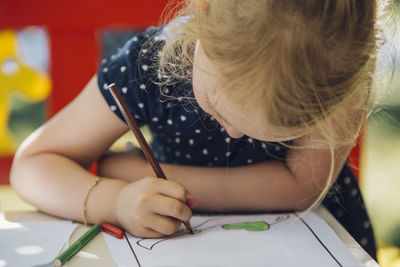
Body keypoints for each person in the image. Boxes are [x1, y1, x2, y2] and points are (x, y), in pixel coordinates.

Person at [11, 0, 387, 259]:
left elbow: (302, 187)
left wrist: (131, 172)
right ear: (204, 15)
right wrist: (116, 202)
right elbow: (35, 163)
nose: (237, 134)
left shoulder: (338, 66)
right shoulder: (148, 66)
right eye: (223, 110)